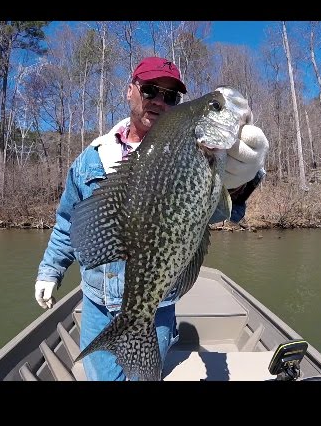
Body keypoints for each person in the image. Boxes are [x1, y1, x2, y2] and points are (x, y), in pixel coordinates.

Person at [34, 56, 269, 380]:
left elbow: (216, 213)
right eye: (150, 90)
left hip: (156, 305)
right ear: (130, 90)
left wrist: (242, 180)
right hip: (97, 302)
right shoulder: (93, 157)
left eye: (170, 96)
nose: (160, 100)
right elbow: (68, 223)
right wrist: (51, 270)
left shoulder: (192, 153)